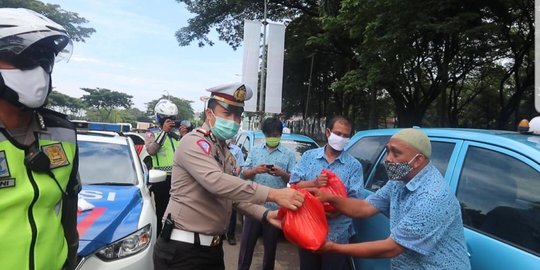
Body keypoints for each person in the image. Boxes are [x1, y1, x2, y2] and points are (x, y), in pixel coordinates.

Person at [153, 82, 304, 270]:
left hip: (211, 249)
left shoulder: (224, 151)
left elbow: (231, 196)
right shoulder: (193, 143)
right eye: (227, 113)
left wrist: (266, 214)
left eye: (238, 115)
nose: (234, 121)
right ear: (210, 115)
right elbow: (216, 182)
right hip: (183, 250)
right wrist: (273, 195)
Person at [310, 128, 471, 270]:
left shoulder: (433, 197)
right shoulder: (398, 181)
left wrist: (332, 247)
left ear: (418, 160)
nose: (387, 158)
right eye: (387, 151)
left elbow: (391, 248)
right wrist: (331, 198)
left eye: (396, 153)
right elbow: (365, 207)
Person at [0, 8, 80, 270]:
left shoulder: (63, 131)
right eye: (24, 58)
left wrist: (70, 260)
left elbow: (69, 209)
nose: (39, 70)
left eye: (45, 60)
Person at [289, 116, 364, 270]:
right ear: (328, 132)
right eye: (338, 133)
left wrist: (337, 211)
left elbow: (356, 200)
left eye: (345, 136)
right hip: (308, 228)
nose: (341, 138)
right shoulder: (309, 157)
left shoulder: (354, 166)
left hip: (337, 234)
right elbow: (294, 185)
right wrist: (314, 183)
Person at [237, 117, 297, 270]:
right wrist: (256, 170)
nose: (273, 138)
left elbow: (295, 180)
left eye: (276, 135)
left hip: (274, 209)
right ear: (264, 134)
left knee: (270, 250)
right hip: (253, 206)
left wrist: (282, 174)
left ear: (280, 135)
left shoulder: (289, 155)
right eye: (270, 135)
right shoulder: (255, 150)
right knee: (246, 247)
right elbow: (243, 175)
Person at [145, 99, 180, 235]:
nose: (170, 122)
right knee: (162, 211)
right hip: (160, 180)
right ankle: (160, 237)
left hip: (177, 178)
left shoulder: (176, 135)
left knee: (176, 211)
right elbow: (151, 150)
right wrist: (163, 132)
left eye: (172, 119)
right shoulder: (152, 133)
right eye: (167, 119)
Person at [225, 138, 245, 245]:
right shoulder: (214, 149)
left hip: (232, 183)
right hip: (218, 182)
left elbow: (239, 167)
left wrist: (234, 175)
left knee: (232, 210)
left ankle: (231, 235)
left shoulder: (236, 150)